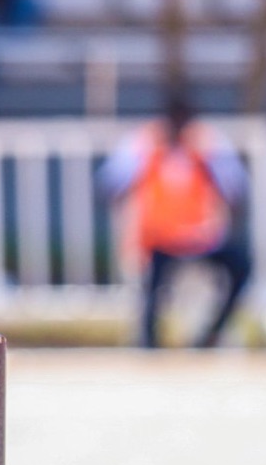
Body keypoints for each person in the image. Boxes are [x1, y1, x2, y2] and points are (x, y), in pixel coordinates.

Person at [98, 92, 252, 348]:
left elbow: (236, 188)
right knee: (153, 285)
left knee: (241, 266)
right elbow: (109, 184)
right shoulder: (144, 142)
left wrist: (210, 158)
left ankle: (211, 334)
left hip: (203, 239)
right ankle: (150, 342)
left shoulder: (208, 143)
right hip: (159, 241)